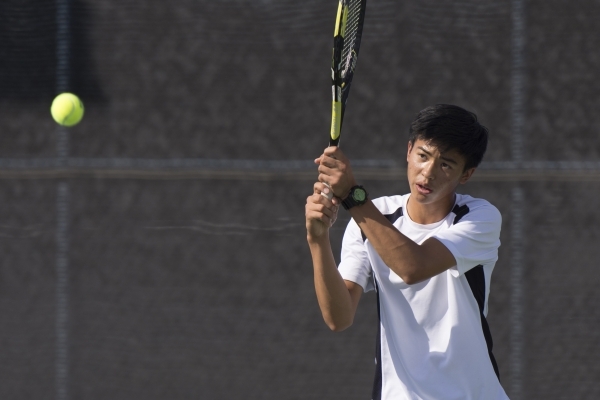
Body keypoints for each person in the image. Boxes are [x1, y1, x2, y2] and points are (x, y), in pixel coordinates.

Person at [305, 104, 509, 399]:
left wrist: (352, 195)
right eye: (423, 156)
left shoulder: (478, 217)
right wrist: (318, 240)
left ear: (466, 174)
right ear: (409, 150)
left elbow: (412, 267)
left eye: (446, 164)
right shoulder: (373, 218)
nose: (428, 173)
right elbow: (339, 317)